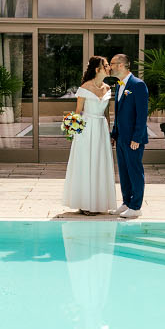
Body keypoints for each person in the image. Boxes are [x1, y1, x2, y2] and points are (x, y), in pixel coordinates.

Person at [62, 55, 117, 214]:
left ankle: (98, 203)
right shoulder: (84, 88)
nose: (108, 67)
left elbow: (106, 113)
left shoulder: (108, 88)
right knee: (86, 163)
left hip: (101, 128)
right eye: (106, 65)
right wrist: (72, 132)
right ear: (97, 69)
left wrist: (110, 133)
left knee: (100, 163)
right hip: (86, 129)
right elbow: (78, 112)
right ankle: (85, 203)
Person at [109, 52, 148, 218]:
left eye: (112, 64)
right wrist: (114, 134)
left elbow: (142, 114)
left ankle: (136, 206)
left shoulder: (138, 85)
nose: (109, 67)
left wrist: (136, 138)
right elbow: (118, 114)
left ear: (120, 65)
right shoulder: (119, 85)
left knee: (134, 171)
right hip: (121, 138)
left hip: (133, 139)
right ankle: (126, 202)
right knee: (124, 172)